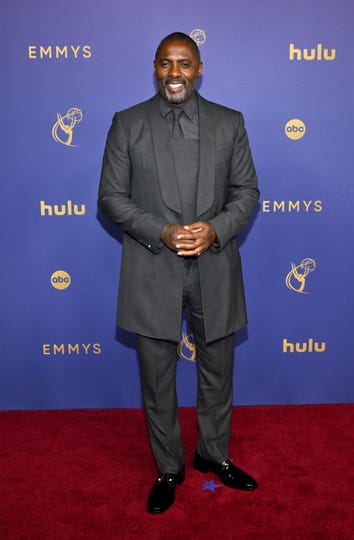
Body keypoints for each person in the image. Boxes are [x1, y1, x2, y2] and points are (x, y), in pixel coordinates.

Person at [98, 32, 260, 514]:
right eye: (167, 64)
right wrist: (163, 231)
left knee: (217, 374)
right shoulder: (127, 124)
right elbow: (110, 196)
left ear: (199, 68)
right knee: (157, 379)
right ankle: (169, 467)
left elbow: (247, 192)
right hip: (152, 269)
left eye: (184, 63)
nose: (175, 73)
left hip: (215, 267)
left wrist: (214, 230)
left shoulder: (230, 123)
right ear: (155, 67)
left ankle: (214, 455)